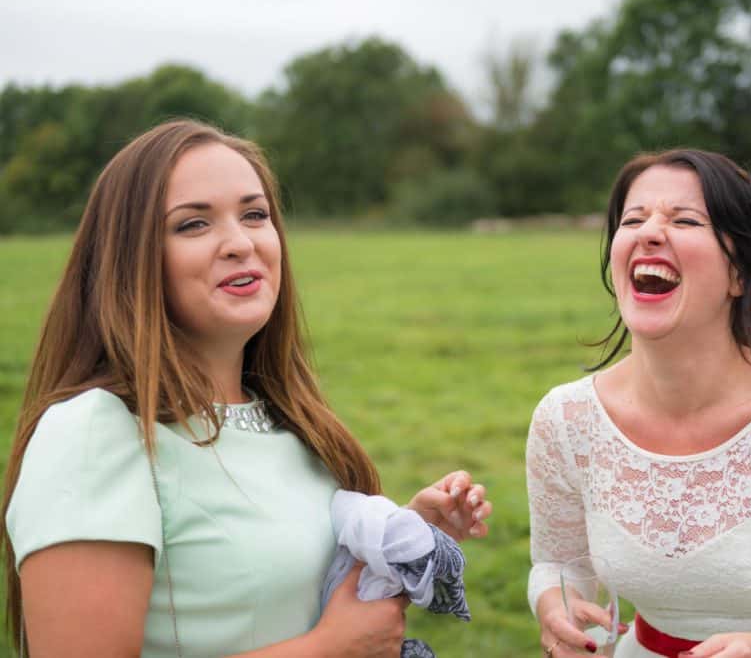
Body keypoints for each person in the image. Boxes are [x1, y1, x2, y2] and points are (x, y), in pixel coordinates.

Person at [2, 119, 492, 657]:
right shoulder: (95, 433)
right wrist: (329, 650)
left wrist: (395, 534)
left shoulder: (293, 423)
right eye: (193, 225)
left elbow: (271, 590)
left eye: (255, 215)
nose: (240, 243)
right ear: (130, 259)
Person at [526, 149, 751, 658]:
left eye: (685, 220)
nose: (649, 232)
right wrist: (554, 608)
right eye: (634, 219)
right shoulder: (564, 419)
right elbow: (560, 564)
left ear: (744, 275)